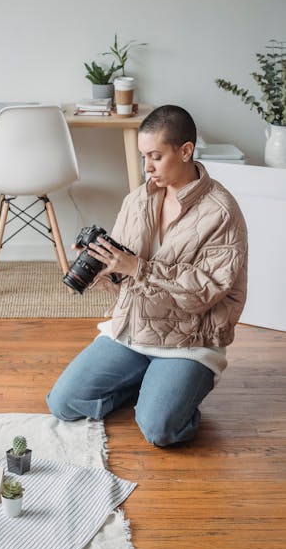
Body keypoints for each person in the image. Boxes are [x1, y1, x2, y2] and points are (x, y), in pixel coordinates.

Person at [47, 105, 248, 447]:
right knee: (62, 403)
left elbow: (206, 291)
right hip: (133, 330)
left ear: (185, 151)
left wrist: (136, 267)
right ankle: (149, 383)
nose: (147, 167)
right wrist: (105, 271)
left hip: (189, 341)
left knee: (159, 430)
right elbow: (125, 275)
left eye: (155, 156)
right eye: (143, 157)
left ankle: (168, 395)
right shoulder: (138, 199)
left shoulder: (222, 212)